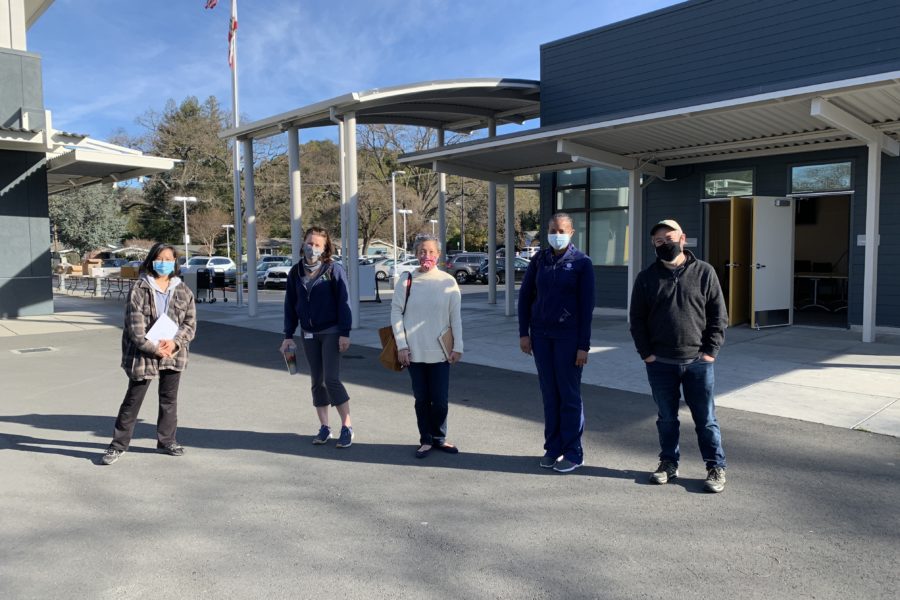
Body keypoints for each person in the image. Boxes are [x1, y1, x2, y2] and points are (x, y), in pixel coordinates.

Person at [629, 219, 729, 493]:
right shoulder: (646, 278)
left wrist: (710, 352)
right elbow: (636, 320)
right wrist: (647, 354)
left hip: (698, 362)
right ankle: (668, 463)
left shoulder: (704, 272)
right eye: (658, 241)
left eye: (668, 237)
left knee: (705, 419)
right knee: (666, 418)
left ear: (682, 238)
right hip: (660, 363)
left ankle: (715, 466)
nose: (664, 244)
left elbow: (719, 316)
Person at [101, 243, 196, 465]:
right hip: (143, 354)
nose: (164, 263)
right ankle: (118, 445)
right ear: (152, 260)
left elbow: (190, 324)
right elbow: (135, 329)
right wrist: (156, 348)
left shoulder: (183, 290)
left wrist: (174, 344)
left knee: (169, 399)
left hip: (174, 352)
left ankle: (167, 441)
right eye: (160, 258)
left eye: (169, 259)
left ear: (175, 262)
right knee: (133, 399)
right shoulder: (139, 289)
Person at [518, 213, 595, 473]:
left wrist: (583, 345)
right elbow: (525, 297)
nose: (557, 234)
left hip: (569, 339)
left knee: (569, 396)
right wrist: (524, 333)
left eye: (562, 230)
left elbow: (586, 308)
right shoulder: (539, 260)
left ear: (571, 232)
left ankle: (573, 451)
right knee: (550, 395)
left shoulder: (582, 263)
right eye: (553, 229)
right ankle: (553, 448)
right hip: (541, 337)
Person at [281, 226, 354, 448]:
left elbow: (344, 302)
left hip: (331, 331)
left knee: (331, 379)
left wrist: (344, 332)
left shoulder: (333, 269)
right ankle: (324, 427)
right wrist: (288, 335)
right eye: (310, 243)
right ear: (303, 243)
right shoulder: (295, 272)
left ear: (325, 249)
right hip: (308, 333)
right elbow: (290, 305)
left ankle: (347, 426)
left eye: (317, 245)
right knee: (317, 381)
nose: (312, 248)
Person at [392, 234, 463, 459]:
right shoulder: (406, 280)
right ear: (416, 253)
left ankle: (439, 437)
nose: (427, 256)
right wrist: (401, 345)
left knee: (440, 401)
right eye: (422, 251)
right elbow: (396, 313)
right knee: (422, 399)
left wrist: (458, 346)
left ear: (439, 254)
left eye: (431, 251)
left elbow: (455, 317)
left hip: (441, 351)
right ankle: (425, 439)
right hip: (414, 352)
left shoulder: (448, 281)